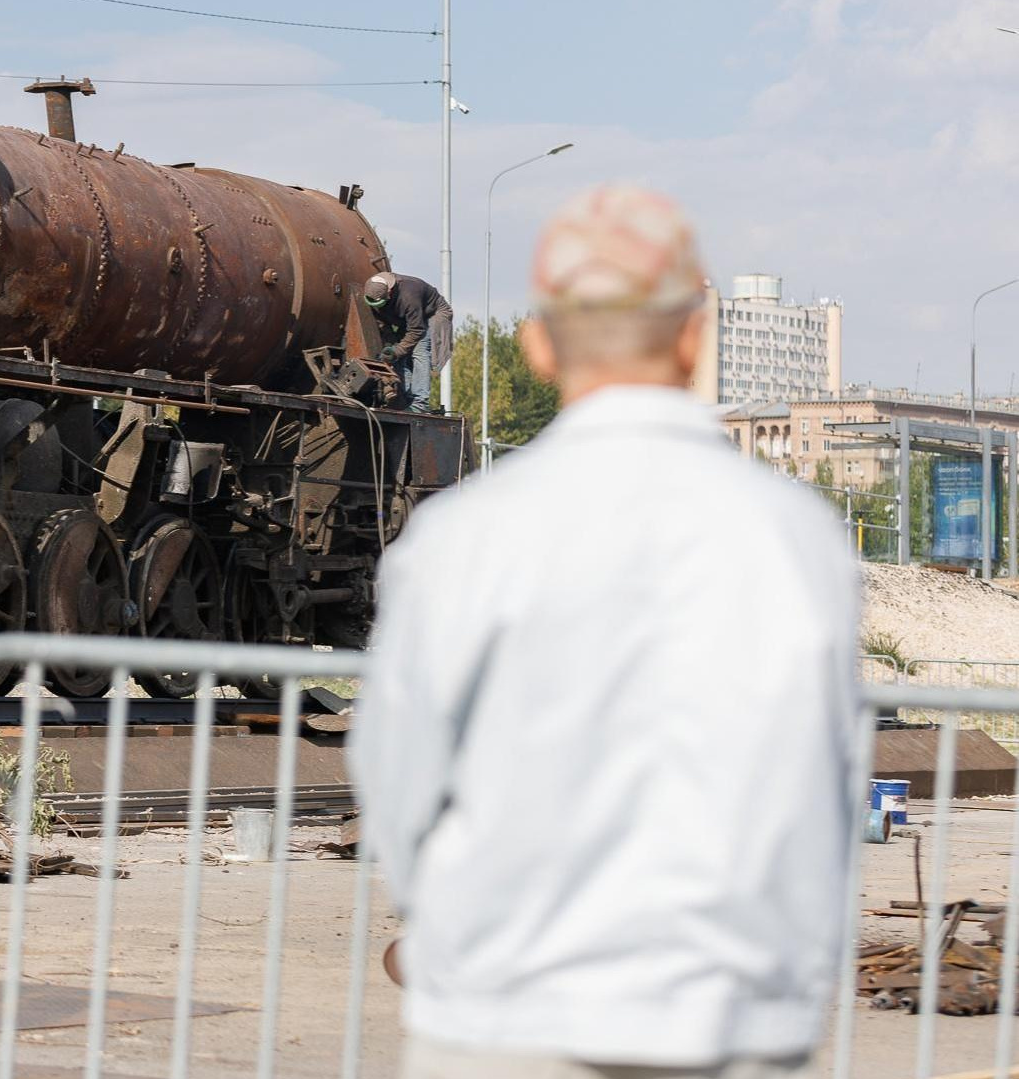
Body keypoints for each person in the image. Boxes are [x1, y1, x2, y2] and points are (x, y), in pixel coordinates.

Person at [352, 185, 859, 1079]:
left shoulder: (463, 537)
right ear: (696, 336)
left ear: (538, 345)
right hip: (721, 1014)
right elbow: (821, 782)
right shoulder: (796, 537)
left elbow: (399, 775)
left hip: (503, 1009)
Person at [364, 271, 453, 413]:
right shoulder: (372, 292)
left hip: (433, 314)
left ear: (390, 292)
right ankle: (405, 398)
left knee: (419, 350)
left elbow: (417, 330)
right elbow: (383, 324)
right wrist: (391, 347)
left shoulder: (409, 295)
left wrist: (398, 350)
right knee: (398, 355)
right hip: (410, 320)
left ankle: (419, 403)